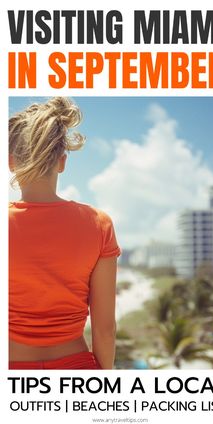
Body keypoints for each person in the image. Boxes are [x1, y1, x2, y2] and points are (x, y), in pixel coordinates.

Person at [8, 97, 121, 370]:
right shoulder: (98, 224)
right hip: (77, 369)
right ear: (62, 162)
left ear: (11, 162)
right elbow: (104, 331)